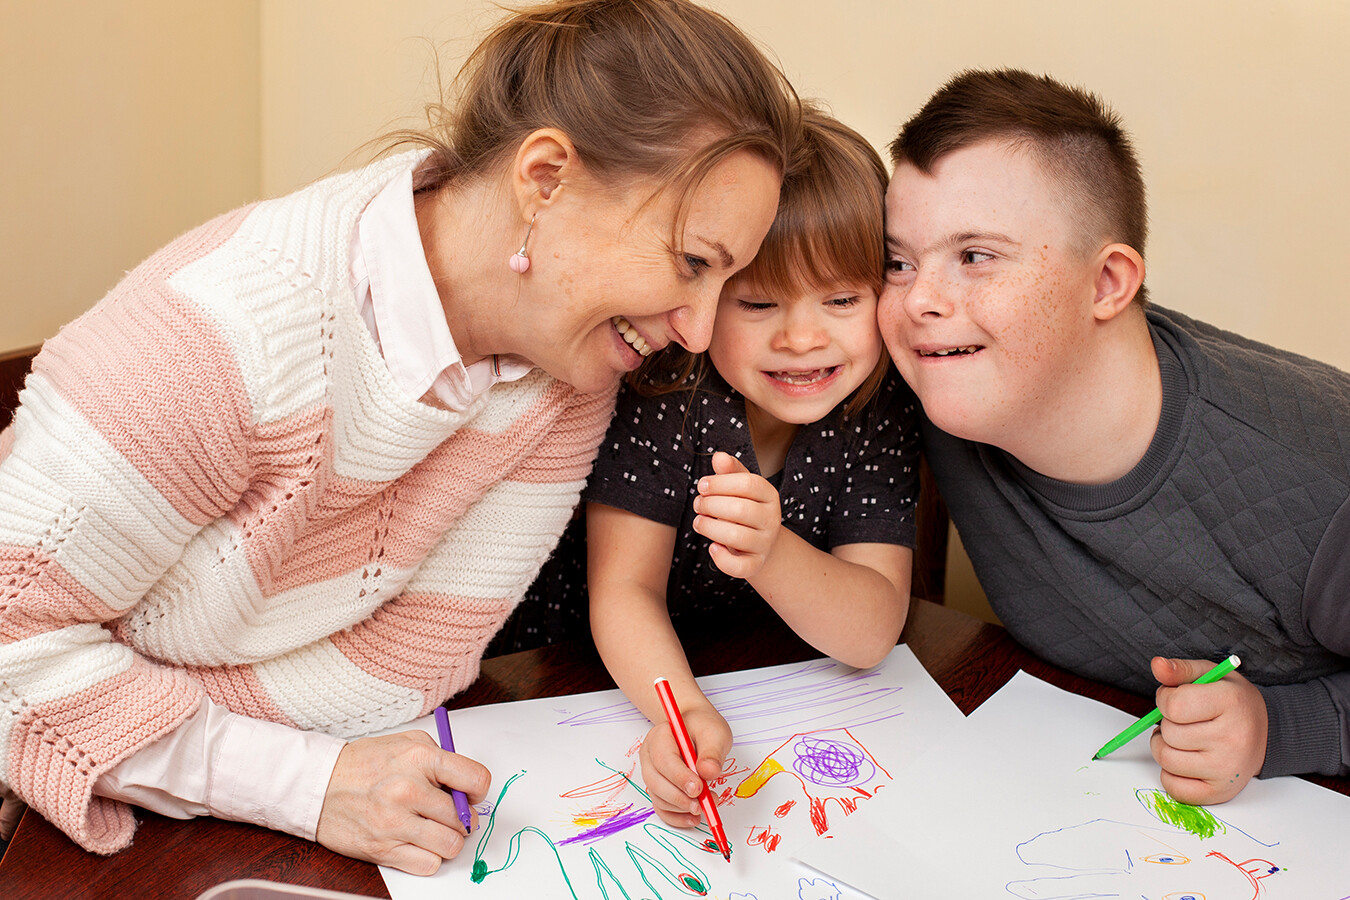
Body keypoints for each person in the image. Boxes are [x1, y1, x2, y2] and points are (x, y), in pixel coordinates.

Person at [0, 0, 800, 874]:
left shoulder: (568, 370)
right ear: (545, 179)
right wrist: (305, 782)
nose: (697, 329)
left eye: (727, 280)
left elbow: (412, 660)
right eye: (692, 261)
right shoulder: (216, 339)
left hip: (220, 786)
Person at [880, 68, 1350, 807]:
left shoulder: (1318, 485)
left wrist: (1282, 727)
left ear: (1106, 284)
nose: (919, 302)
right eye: (898, 262)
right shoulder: (943, 383)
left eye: (976, 256)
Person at [585, 108, 919, 827]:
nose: (802, 338)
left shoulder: (877, 403)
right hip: (597, 671)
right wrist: (685, 711)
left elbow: (869, 633)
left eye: (842, 299)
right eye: (760, 302)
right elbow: (622, 591)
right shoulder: (667, 390)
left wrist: (770, 553)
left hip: (769, 668)